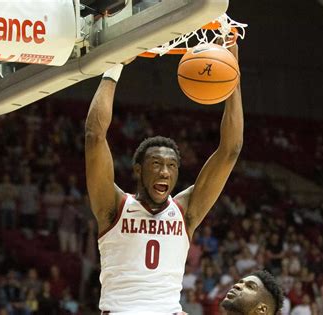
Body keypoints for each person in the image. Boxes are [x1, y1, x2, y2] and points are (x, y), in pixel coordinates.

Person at [85, 45, 243, 314]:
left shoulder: (185, 211)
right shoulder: (113, 207)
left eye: (172, 166)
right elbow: (94, 135)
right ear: (138, 170)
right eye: (156, 164)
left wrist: (232, 72)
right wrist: (113, 67)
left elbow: (231, 149)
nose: (165, 172)